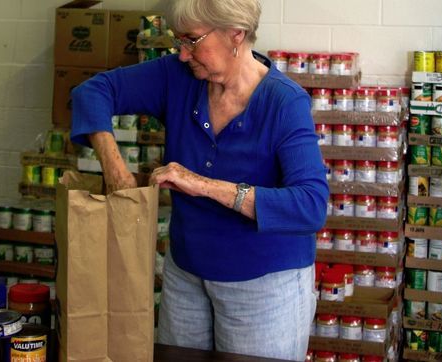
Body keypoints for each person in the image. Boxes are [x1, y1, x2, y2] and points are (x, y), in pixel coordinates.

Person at [70, 0, 329, 359]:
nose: (181, 54)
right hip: (186, 276)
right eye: (179, 41)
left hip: (265, 286)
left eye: (192, 40)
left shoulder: (284, 103)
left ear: (235, 34)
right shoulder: (179, 79)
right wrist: (114, 167)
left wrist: (205, 185)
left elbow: (310, 207)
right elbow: (92, 91)